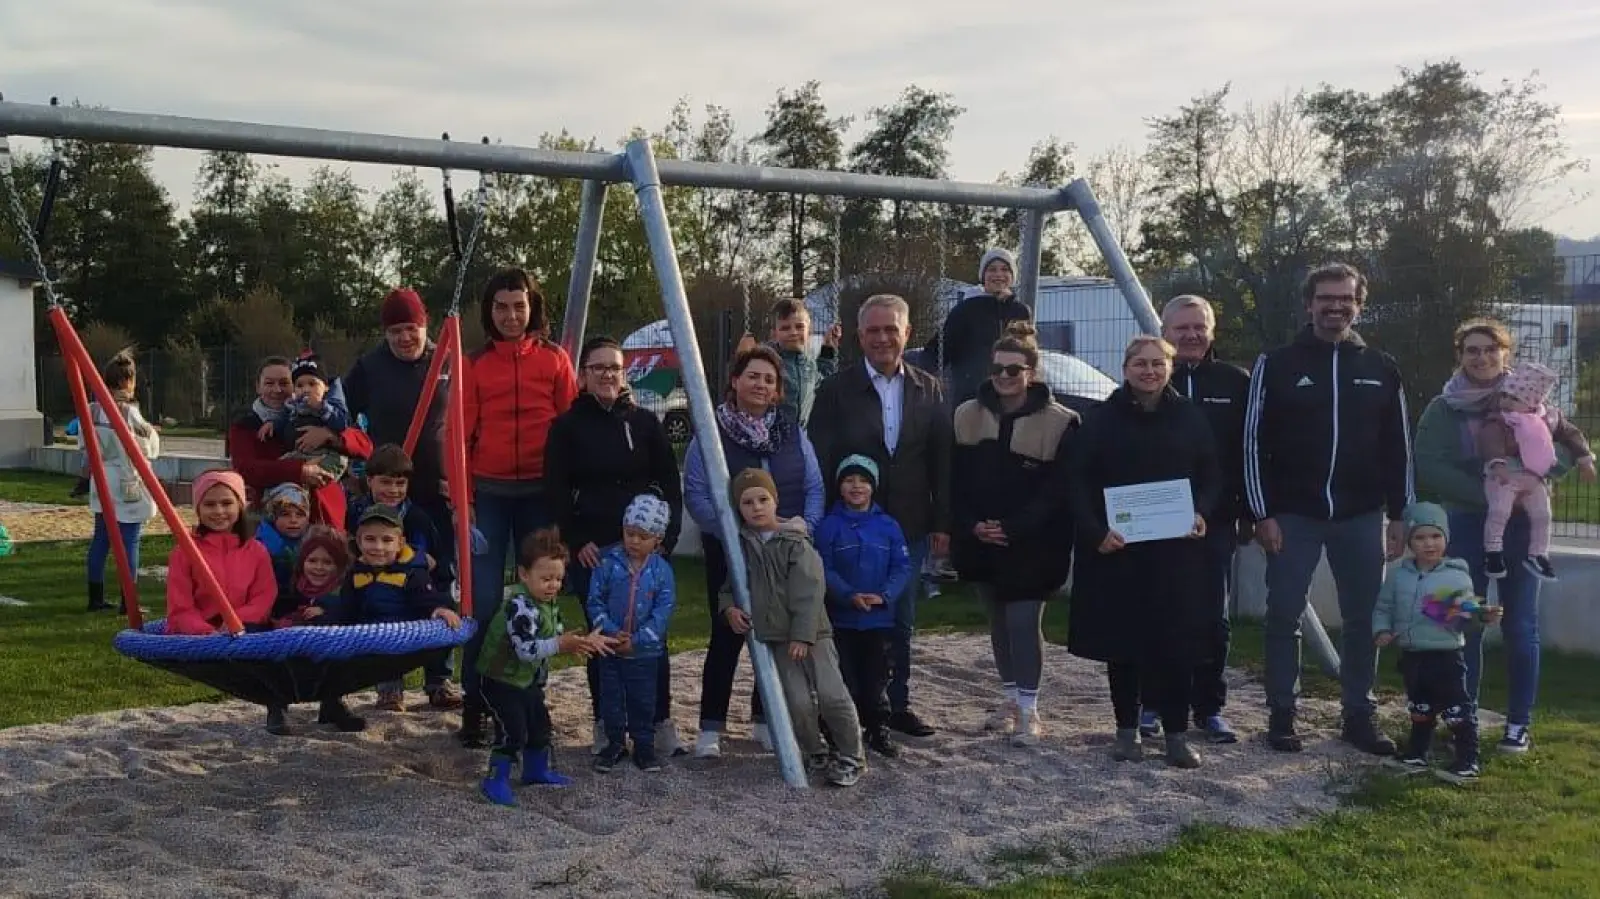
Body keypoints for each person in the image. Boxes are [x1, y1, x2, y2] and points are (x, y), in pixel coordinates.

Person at [1243, 262, 1412, 755]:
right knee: (1284, 614)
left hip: (1360, 516)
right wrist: (1262, 512)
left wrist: (1400, 514)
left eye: (1346, 299)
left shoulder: (1381, 368)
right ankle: (1282, 714)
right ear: (1308, 304)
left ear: (1359, 304)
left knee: (1363, 619)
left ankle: (1358, 714)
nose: (1336, 306)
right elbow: (1252, 444)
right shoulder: (1275, 364)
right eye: (1326, 298)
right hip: (1293, 515)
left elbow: (1398, 448)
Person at [1412, 319, 1593, 753]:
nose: (1481, 357)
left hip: (1523, 529)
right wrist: (1488, 494)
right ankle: (1462, 714)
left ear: (1504, 354)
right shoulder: (1444, 407)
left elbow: (1564, 448)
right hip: (1467, 525)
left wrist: (1529, 485)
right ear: (1460, 356)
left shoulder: (1534, 401)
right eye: (1471, 350)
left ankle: (1517, 725)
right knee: (1460, 621)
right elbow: (1429, 463)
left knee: (1520, 624)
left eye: (1490, 349)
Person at [1067, 336, 1220, 768]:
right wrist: (1096, 532)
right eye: (1139, 363)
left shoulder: (1191, 418)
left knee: (1175, 645)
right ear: (1125, 367)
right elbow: (1077, 482)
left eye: (1157, 363)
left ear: (1169, 368)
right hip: (1119, 552)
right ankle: (1126, 732)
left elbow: (1211, 474)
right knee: (1124, 645)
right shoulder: (1099, 420)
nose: (1148, 371)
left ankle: (1175, 735)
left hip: (1177, 553)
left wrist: (1202, 513)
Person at [810, 293, 949, 739]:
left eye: (892, 329)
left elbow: (941, 458)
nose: (883, 337)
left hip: (907, 522)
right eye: (873, 330)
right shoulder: (836, 390)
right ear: (859, 336)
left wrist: (943, 520)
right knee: (846, 618)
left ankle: (896, 705)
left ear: (907, 333)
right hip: (848, 524)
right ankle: (846, 707)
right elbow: (821, 456)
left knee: (898, 617)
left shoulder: (929, 388)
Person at [543, 335, 684, 756]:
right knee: (603, 637)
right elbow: (554, 489)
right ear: (583, 375)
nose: (607, 374)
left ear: (624, 374)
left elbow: (669, 483)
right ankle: (607, 723)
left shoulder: (643, 423)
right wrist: (574, 539)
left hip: (645, 551)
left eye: (614, 368)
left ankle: (658, 722)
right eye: (598, 367)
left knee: (649, 639)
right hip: (596, 549)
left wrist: (667, 540)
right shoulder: (567, 427)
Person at [684, 344, 824, 759]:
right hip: (730, 551)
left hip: (782, 551)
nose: (761, 385)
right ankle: (711, 727)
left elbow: (814, 488)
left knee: (777, 632)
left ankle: (765, 719)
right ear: (735, 381)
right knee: (728, 634)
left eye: (769, 379)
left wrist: (804, 526)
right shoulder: (711, 432)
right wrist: (733, 534)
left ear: (778, 388)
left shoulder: (793, 433)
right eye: (753, 376)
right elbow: (696, 493)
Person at [458, 268, 580, 744]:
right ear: (489, 312)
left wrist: (565, 498)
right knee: (483, 603)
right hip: (487, 495)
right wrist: (464, 501)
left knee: (538, 598)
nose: (511, 316)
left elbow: (569, 430)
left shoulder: (554, 360)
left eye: (519, 306)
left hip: (537, 493)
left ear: (533, 308)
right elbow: (462, 438)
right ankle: (476, 702)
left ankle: (531, 696)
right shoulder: (475, 364)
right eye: (501, 307)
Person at [951, 323, 1079, 748]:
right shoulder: (967, 415)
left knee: (1024, 622)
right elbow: (956, 479)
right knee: (998, 622)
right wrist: (972, 523)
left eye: (1014, 370)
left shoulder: (1060, 423)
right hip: (982, 538)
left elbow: (1059, 490)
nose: (1005, 377)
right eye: (998, 369)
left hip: (1034, 543)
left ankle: (1029, 709)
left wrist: (1013, 527)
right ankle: (1009, 701)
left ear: (1032, 373)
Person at [721, 468, 863, 787]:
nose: (756, 507)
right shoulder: (742, 546)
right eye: (747, 502)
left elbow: (810, 590)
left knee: (831, 695)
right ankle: (816, 752)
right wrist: (729, 607)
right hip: (776, 637)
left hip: (813, 635)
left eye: (762, 499)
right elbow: (730, 585)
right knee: (797, 701)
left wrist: (803, 633)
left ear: (775, 501)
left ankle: (852, 755)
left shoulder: (795, 543)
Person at [1150, 295, 1250, 744]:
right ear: (1165, 331)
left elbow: (1250, 452)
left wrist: (1247, 510)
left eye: (1199, 327)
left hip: (1215, 519)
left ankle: (1209, 707)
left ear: (1212, 331)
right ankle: (1150, 703)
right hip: (1153, 521)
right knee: (1157, 612)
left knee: (1213, 617)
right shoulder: (1148, 380)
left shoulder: (1235, 382)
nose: (1190, 335)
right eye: (1181, 328)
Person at [477, 528, 613, 806]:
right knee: (513, 730)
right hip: (500, 681)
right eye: (546, 578)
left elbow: (556, 637)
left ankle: (535, 770)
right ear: (524, 574)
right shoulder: (520, 606)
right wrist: (562, 645)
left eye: (559, 579)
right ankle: (495, 778)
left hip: (526, 681)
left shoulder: (548, 604)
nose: (553, 585)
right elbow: (527, 650)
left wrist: (580, 643)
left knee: (540, 725)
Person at [1374, 502, 1501, 784]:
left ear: (1446, 539)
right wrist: (1382, 629)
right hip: (1412, 655)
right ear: (1409, 541)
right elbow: (1384, 607)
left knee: (1456, 709)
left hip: (1446, 655)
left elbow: (1464, 613)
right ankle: (1417, 753)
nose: (1428, 544)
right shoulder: (1399, 576)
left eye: (1435, 536)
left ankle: (1468, 761)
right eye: (1420, 538)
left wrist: (1481, 614)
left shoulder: (1456, 575)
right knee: (1420, 707)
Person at [342, 288, 452, 586]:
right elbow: (341, 415)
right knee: (385, 570)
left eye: (411, 329)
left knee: (437, 568)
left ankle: (442, 625)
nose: (404, 338)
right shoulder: (370, 367)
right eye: (395, 331)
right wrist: (349, 466)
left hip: (438, 490)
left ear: (424, 326)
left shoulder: (447, 361)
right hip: (389, 490)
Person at [816, 454, 912, 758]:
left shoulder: (888, 526)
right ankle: (837, 731)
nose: (856, 486)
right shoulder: (829, 526)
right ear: (839, 486)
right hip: (843, 619)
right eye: (849, 480)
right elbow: (824, 567)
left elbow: (902, 566)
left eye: (863, 481)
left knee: (876, 679)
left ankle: (877, 728)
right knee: (845, 678)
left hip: (879, 620)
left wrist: (885, 595)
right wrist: (847, 594)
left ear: (873, 487)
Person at [349, 443, 458, 709]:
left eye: (400, 483)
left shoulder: (417, 517)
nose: (393, 490)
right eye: (385, 482)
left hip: (416, 585)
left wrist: (420, 562)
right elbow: (351, 547)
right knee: (381, 623)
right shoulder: (356, 511)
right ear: (369, 480)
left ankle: (438, 682)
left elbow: (433, 558)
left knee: (441, 617)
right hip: (377, 587)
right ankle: (389, 688)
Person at [329, 504, 463, 710]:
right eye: (370, 539)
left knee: (444, 629)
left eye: (387, 540)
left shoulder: (411, 571)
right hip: (377, 634)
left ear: (400, 543)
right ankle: (389, 691)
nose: (378, 547)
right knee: (378, 654)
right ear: (359, 541)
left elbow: (425, 596)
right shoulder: (356, 573)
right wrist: (330, 619)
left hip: (410, 633)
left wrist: (438, 608)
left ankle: (438, 684)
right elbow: (347, 607)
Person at [1476, 362, 1592, 581]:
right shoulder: (1500, 420)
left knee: (1542, 515)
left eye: (1515, 399)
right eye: (1505, 396)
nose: (1507, 403)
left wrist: (1584, 459)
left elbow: (1572, 435)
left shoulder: (1549, 418)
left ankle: (1538, 553)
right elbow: (1490, 440)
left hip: (1535, 478)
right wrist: (1498, 463)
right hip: (1506, 474)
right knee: (1499, 511)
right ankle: (1493, 552)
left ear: (1532, 403)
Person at [587, 493, 677, 774]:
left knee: (643, 699)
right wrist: (612, 635)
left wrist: (637, 640)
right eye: (629, 533)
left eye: (642, 536)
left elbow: (663, 611)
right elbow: (595, 601)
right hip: (610, 648)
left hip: (645, 652)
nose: (634, 541)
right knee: (611, 698)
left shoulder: (662, 571)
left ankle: (644, 747)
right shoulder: (607, 563)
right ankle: (614, 744)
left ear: (657, 539)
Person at [231, 356, 373, 530]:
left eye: (284, 383)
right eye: (269, 383)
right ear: (257, 386)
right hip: (276, 519)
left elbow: (364, 445)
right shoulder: (245, 426)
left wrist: (329, 436)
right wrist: (299, 470)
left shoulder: (322, 413)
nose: (277, 390)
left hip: (324, 513)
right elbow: (246, 469)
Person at [84, 350, 161, 614]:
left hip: (101, 478)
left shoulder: (92, 410)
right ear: (128, 381)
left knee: (101, 539)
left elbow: (83, 444)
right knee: (130, 540)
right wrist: (151, 431)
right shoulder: (128, 412)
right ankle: (128, 602)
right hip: (126, 480)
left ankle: (95, 597)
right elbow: (149, 449)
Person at [165, 470, 279, 637]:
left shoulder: (256, 551)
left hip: (246, 630)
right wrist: (205, 631)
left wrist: (235, 621)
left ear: (239, 506)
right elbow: (180, 607)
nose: (218, 511)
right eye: (209, 504)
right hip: (197, 636)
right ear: (198, 508)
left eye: (226, 503)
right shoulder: (185, 552)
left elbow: (263, 598)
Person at [924, 248, 1032, 405]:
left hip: (1011, 392)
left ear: (1012, 276)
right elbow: (942, 347)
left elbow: (1028, 350)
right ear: (983, 275)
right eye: (992, 269)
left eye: (1004, 269)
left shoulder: (1020, 311)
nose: (998, 275)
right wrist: (927, 376)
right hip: (972, 393)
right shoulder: (966, 309)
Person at [257, 351, 351, 479]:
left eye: (312, 384)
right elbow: (285, 418)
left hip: (326, 455)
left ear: (326, 387)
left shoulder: (330, 405)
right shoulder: (293, 405)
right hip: (299, 454)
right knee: (280, 469)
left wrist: (322, 411)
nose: (306, 389)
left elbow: (343, 423)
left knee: (326, 472)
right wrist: (272, 424)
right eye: (300, 385)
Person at [765, 298, 840, 427]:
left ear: (809, 330)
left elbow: (823, 384)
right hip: (771, 432)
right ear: (774, 334)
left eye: (799, 327)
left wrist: (827, 349)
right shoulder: (768, 361)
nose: (793, 333)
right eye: (785, 328)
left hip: (800, 434)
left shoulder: (808, 363)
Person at [269, 525, 349, 630]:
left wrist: (326, 613)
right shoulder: (294, 587)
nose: (319, 567)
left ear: (339, 566)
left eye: (327, 562)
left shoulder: (346, 593)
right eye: (312, 561)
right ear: (302, 562)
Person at [254, 483, 311, 592]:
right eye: (285, 514)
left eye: (300, 514)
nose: (293, 520)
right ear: (273, 517)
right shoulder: (261, 545)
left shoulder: (315, 542)